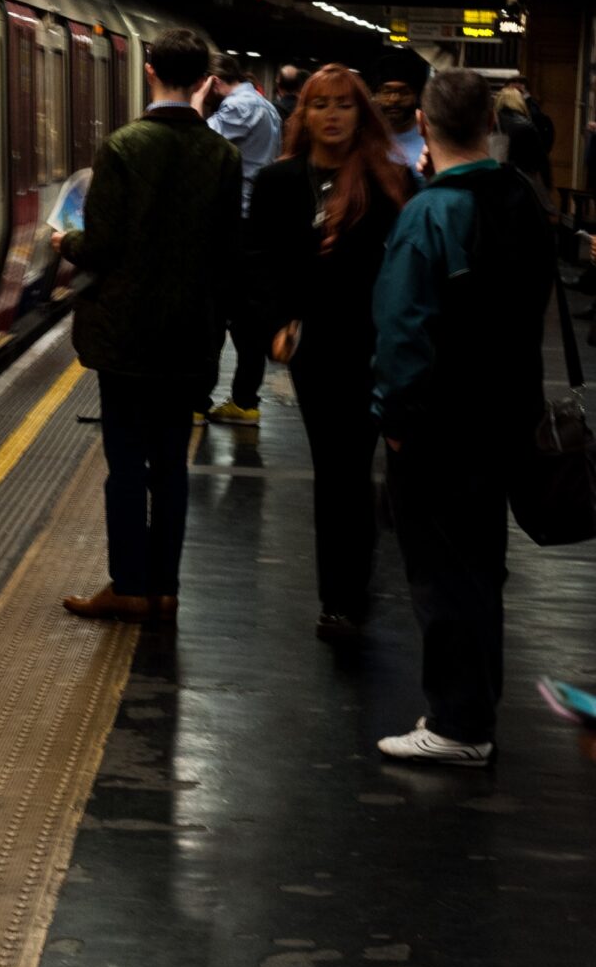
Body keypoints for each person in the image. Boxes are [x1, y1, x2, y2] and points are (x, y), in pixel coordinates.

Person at [372, 66, 556, 765]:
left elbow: (400, 332)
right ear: (490, 124)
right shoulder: (522, 198)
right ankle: (471, 704)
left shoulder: (429, 213)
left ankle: (456, 725)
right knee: (480, 567)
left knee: (442, 573)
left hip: (438, 426)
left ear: (421, 124)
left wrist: (394, 417)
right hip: (506, 414)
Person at [56, 28, 242, 626]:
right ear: (207, 82)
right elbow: (223, 253)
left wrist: (67, 242)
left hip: (125, 339)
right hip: (189, 336)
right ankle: (165, 589)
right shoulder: (223, 155)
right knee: (171, 466)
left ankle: (128, 584)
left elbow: (103, 245)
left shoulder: (123, 147)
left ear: (149, 69)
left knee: (126, 466)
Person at [250, 66, 416, 644]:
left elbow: (407, 268)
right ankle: (339, 598)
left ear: (360, 112)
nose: (333, 115)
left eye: (345, 105)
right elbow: (261, 261)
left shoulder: (391, 182)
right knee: (337, 471)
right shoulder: (278, 183)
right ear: (307, 114)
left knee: (351, 470)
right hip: (314, 351)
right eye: (321, 105)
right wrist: (275, 324)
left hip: (375, 348)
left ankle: (347, 596)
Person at [194, 54, 280, 422]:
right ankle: (245, 402)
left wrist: (196, 103)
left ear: (213, 81)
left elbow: (196, 142)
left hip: (236, 228)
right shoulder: (262, 105)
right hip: (254, 226)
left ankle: (199, 402)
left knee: (214, 319)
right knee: (248, 324)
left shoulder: (239, 108)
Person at [372, 53, 428, 174]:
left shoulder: (431, 140)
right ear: (375, 96)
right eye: (387, 92)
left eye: (404, 92)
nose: (394, 99)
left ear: (417, 97)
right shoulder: (363, 136)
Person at [494, 83, 551, 192]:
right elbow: (541, 158)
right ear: (519, 102)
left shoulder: (491, 122)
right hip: (521, 181)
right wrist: (546, 185)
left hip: (496, 179)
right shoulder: (526, 125)